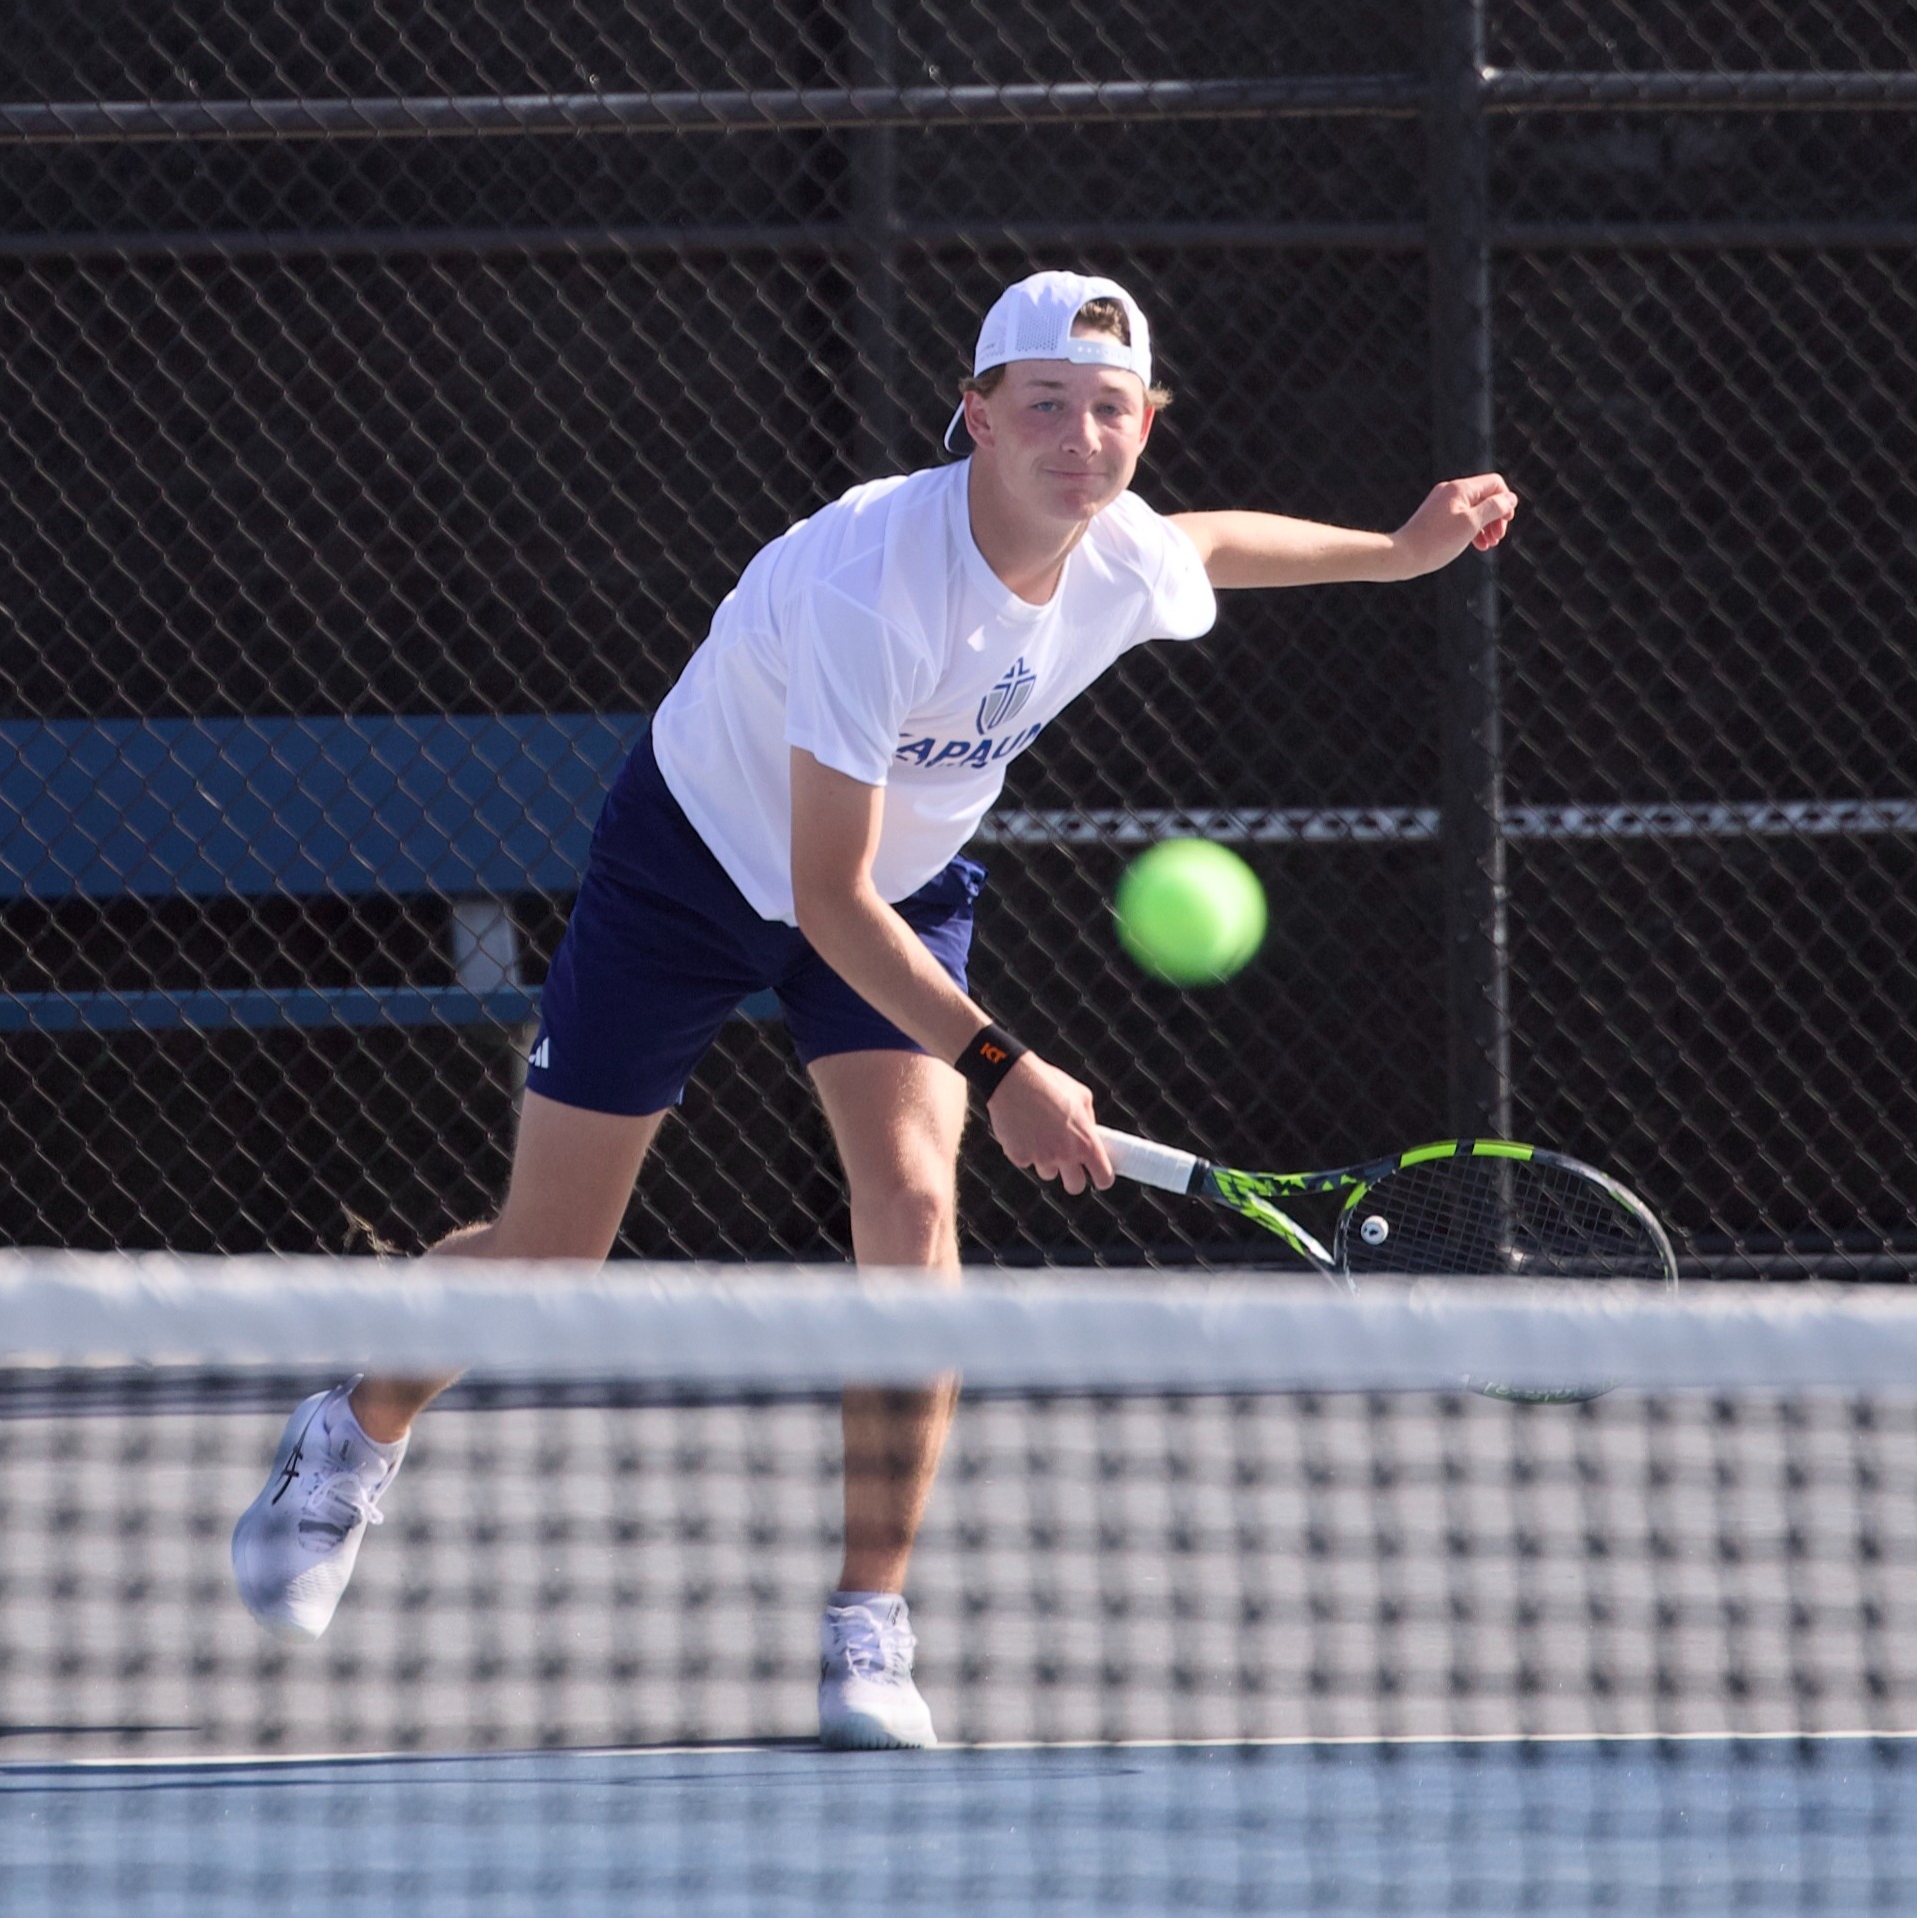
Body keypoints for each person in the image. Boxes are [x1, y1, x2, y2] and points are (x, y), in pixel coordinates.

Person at [231, 269, 1517, 1749]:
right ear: (972, 413)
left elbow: (1211, 546)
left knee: (912, 1214)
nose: (1077, 436)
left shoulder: (1113, 552)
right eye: (1042, 404)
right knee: (548, 1253)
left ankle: (865, 1625)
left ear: (1144, 427)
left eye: (1110, 409)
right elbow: (819, 898)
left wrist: (1399, 553)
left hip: (899, 887)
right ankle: (353, 1427)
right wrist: (1010, 1064)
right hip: (697, 872)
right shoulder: (871, 583)